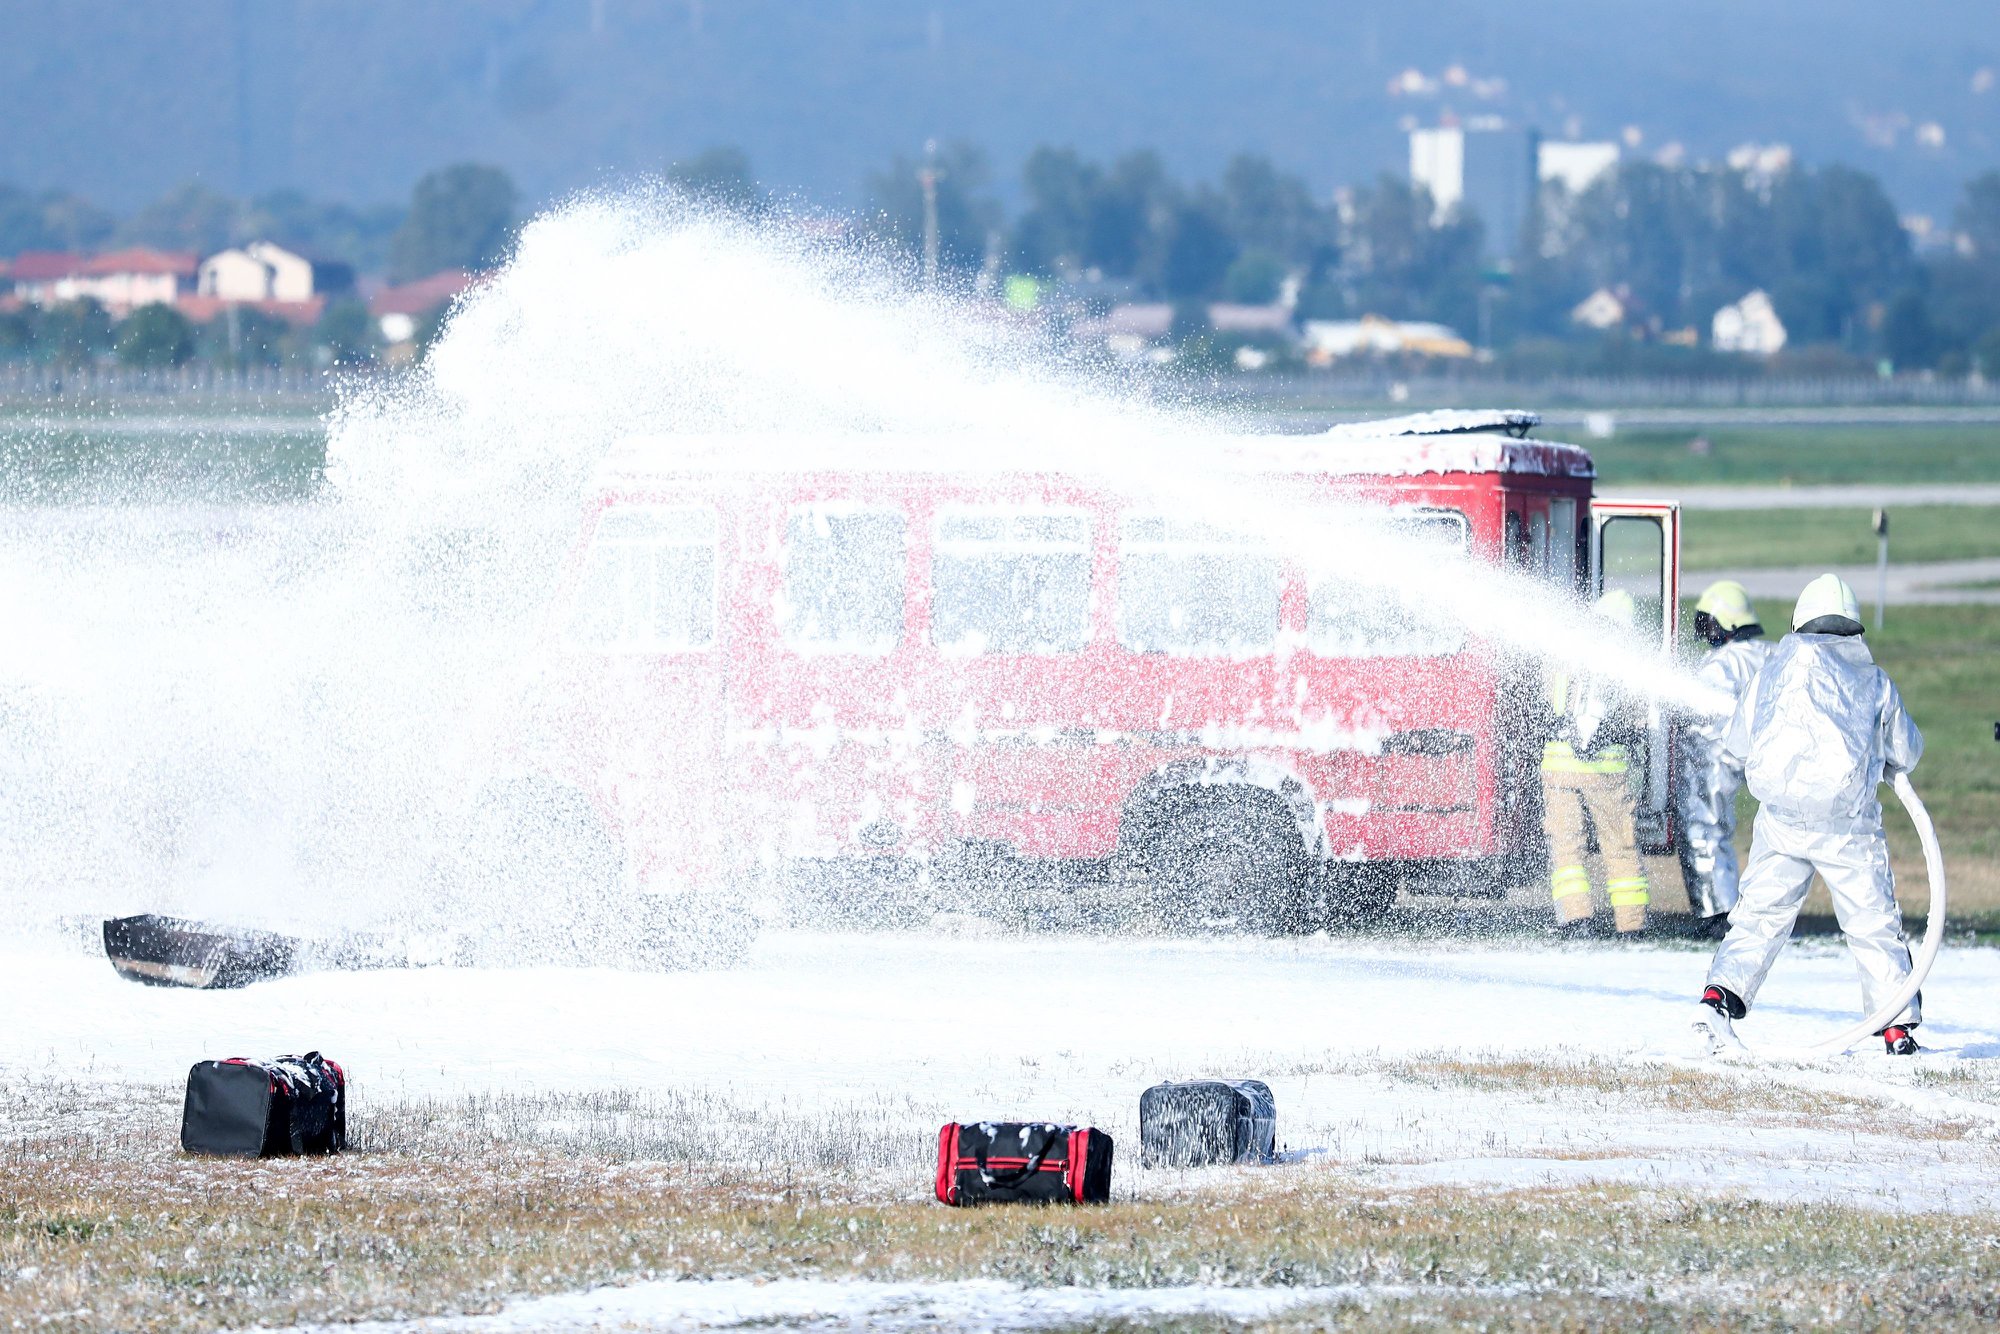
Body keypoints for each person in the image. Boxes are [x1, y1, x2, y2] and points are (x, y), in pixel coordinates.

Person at [1691, 573, 1925, 1056]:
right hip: (1848, 827)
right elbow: (1908, 751)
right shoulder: (1874, 681)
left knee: (1758, 917)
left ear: (1799, 623)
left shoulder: (1771, 673)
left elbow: (1736, 742)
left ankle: (1717, 1000)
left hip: (1781, 821)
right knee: (1872, 923)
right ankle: (1897, 1029)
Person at [1541, 589, 1651, 938]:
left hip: (1560, 768)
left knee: (1566, 846)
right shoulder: (1629, 662)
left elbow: (1547, 699)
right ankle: (1631, 927)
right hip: (1607, 772)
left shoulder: (1566, 651)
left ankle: (1577, 922)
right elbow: (1637, 719)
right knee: (1620, 848)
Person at [1675, 580, 1772, 936]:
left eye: (1710, 626)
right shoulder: (1771, 654)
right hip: (1769, 755)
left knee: (1705, 827)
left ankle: (1718, 913)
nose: (1706, 635)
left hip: (1716, 755)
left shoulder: (1722, 663)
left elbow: (1696, 710)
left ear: (1728, 624)